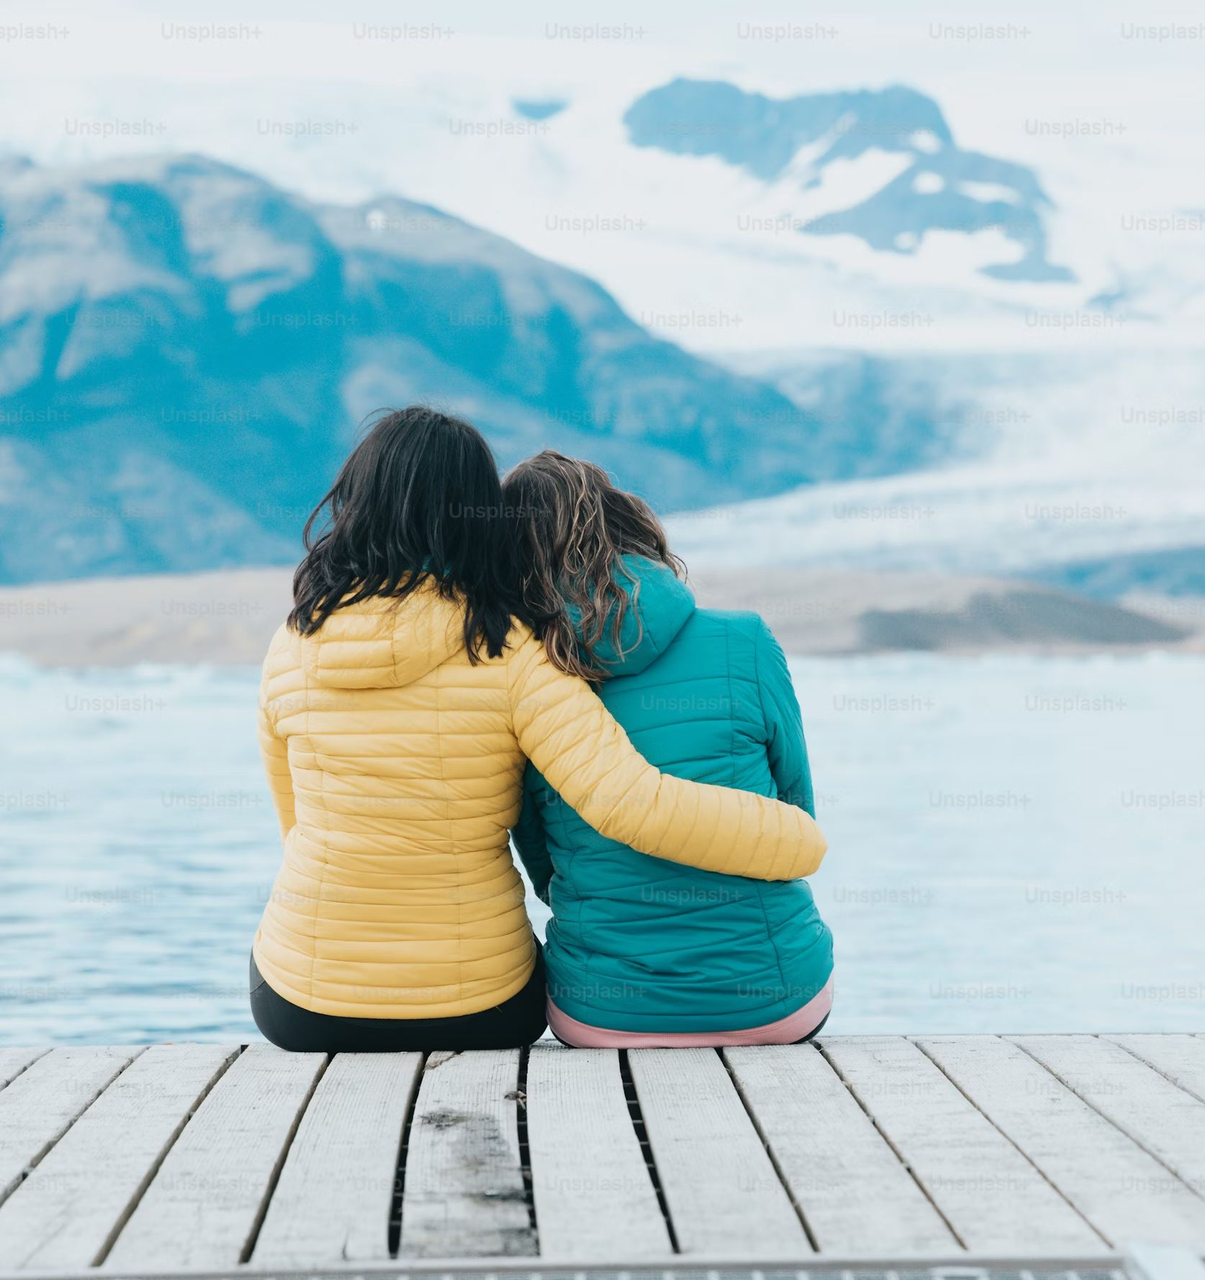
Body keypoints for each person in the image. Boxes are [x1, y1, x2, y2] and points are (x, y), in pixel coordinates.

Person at [249, 409, 826, 1052]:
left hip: (304, 1005)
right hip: (480, 1008)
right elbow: (627, 801)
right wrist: (798, 842)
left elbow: (294, 825)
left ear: (350, 500)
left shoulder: (289, 646)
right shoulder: (511, 650)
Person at [503, 450, 835, 1047]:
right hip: (776, 999)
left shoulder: (525, 675)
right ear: (627, 525)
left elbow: (542, 866)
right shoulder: (745, 640)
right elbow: (794, 810)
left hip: (600, 1012)